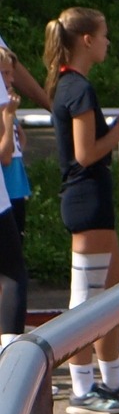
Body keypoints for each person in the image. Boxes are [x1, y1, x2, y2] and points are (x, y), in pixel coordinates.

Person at [44, 7, 119, 414]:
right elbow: (85, 153)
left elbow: (90, 145)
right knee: (87, 301)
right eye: (105, 34)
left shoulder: (73, 85)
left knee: (113, 297)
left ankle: (112, 380)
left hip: (92, 199)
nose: (109, 42)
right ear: (87, 40)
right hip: (85, 200)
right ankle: (81, 389)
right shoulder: (77, 88)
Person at [0, 47, 27, 339]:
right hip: (3, 196)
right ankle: (11, 356)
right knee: (12, 275)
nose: (9, 80)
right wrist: (8, 117)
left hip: (13, 191)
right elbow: (5, 154)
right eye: (5, 74)